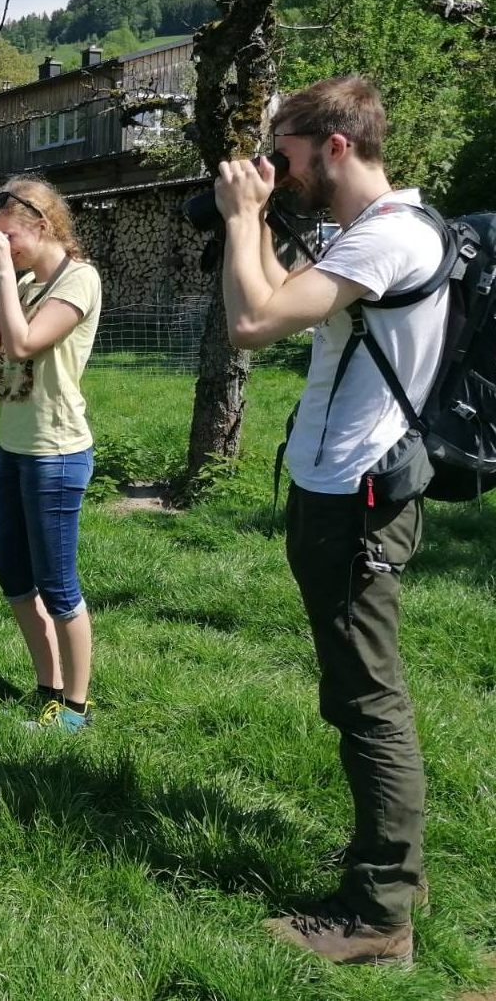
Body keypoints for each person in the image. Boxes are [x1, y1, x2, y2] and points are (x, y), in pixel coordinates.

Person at [216, 75, 443, 965]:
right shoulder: (364, 238)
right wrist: (261, 224)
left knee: (367, 699)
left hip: (359, 499)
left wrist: (239, 218)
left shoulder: (388, 237)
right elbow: (283, 300)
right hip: (341, 489)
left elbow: (250, 322)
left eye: (287, 155)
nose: (277, 169)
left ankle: (380, 914)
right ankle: (389, 861)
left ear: (335, 147)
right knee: (353, 691)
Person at [0, 177, 101, 732]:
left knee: (58, 586)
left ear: (43, 226)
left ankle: (76, 707)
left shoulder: (80, 280)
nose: (1, 245)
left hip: (56, 453)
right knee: (14, 578)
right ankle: (46, 687)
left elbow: (21, 344)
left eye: (8, 236)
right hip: (13, 448)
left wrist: (1, 276)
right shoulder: (17, 279)